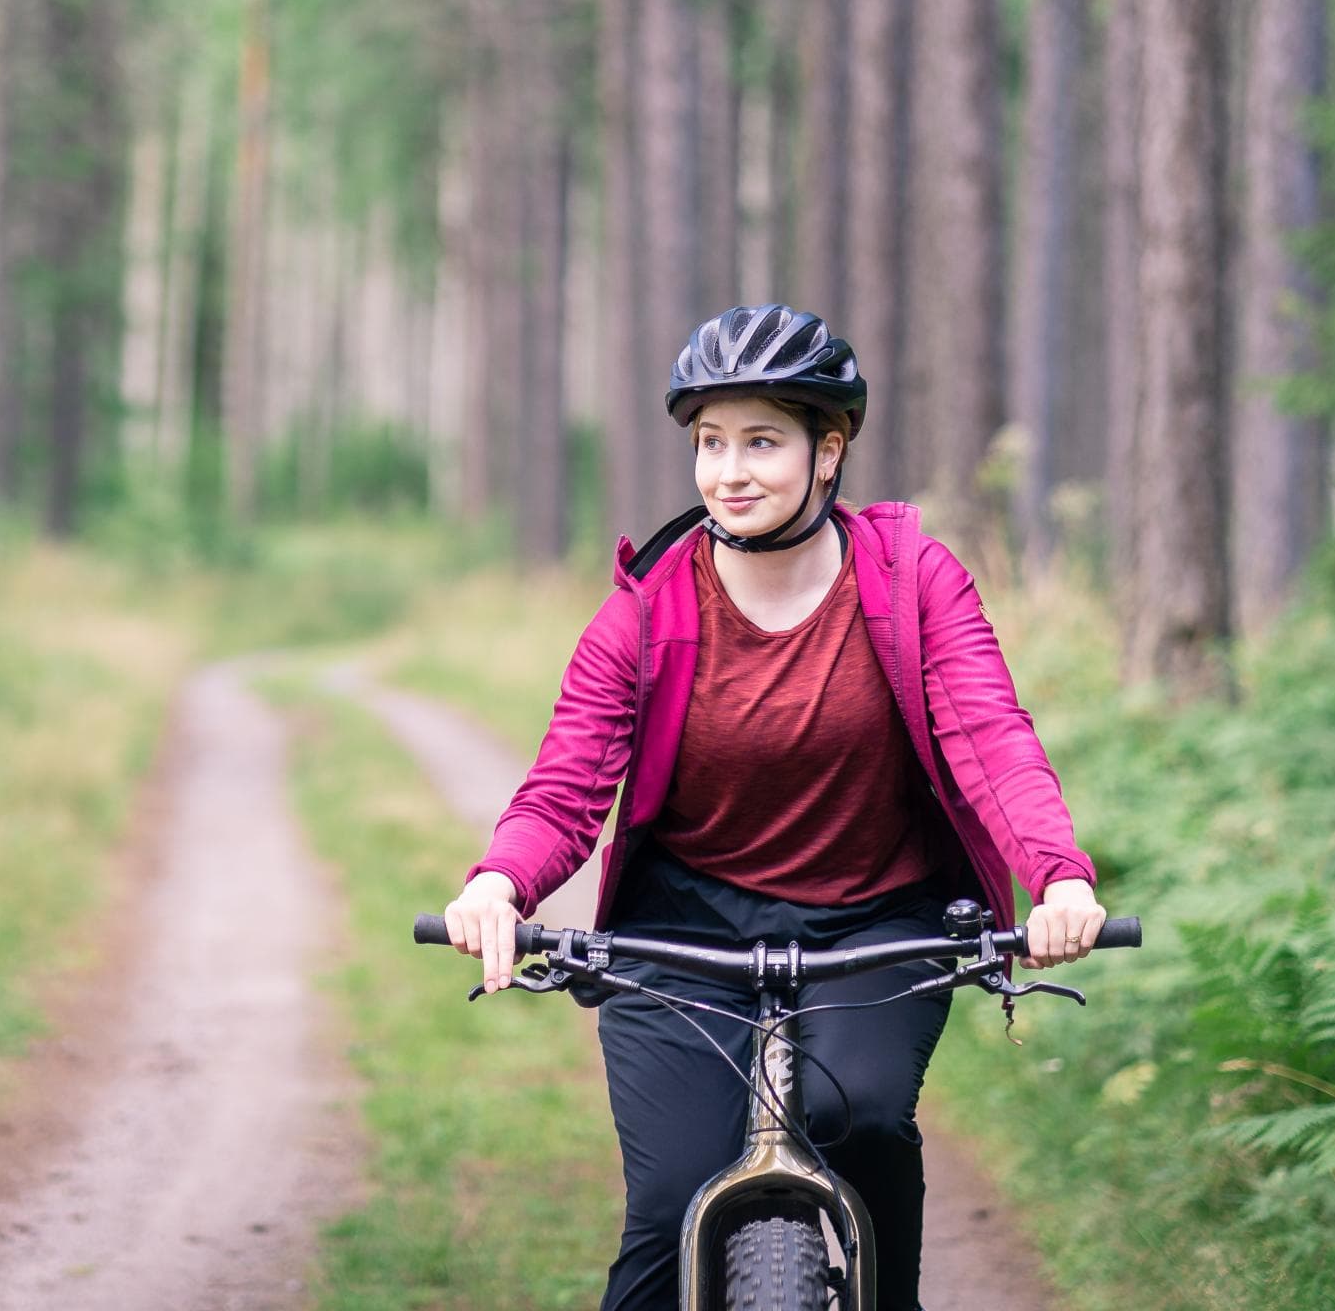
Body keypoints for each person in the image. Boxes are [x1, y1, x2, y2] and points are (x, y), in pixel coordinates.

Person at [439, 304, 1104, 1311]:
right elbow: (569, 781)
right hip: (682, 924)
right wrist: (499, 879)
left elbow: (989, 737)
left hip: (878, 917)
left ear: (828, 450)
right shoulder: (649, 606)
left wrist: (1057, 872)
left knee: (863, 1121)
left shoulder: (913, 582)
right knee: (669, 1206)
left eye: (762, 440)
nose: (729, 470)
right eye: (711, 441)